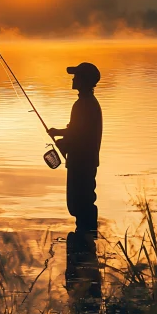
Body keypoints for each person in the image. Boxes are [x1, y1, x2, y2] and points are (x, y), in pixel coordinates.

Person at [48, 62, 102, 232]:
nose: (73, 79)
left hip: (81, 162)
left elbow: (79, 134)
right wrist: (61, 135)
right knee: (82, 203)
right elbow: (77, 131)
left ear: (84, 80)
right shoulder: (86, 103)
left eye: (76, 76)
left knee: (81, 203)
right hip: (83, 161)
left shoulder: (83, 104)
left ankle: (86, 241)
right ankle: (86, 241)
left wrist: (62, 138)